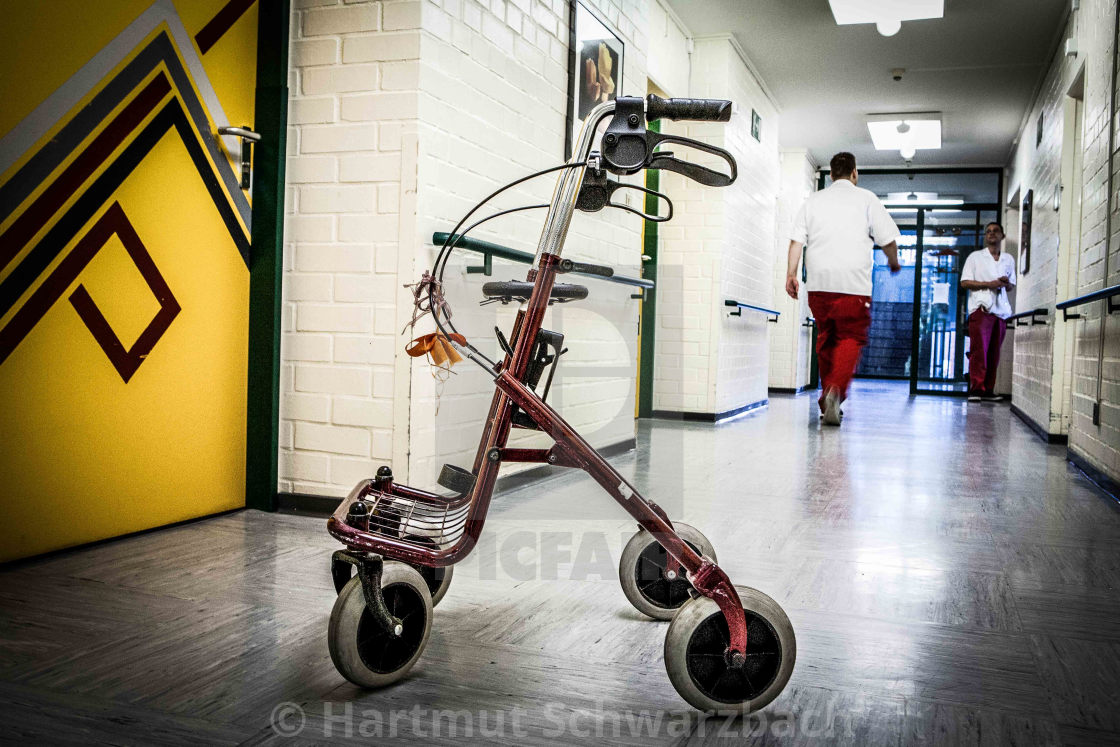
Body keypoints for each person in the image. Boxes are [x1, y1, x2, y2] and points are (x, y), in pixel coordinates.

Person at [786, 152, 901, 426]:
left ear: (831, 174)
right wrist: (894, 261)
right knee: (851, 337)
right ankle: (836, 389)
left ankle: (827, 400)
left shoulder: (812, 201)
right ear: (854, 173)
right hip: (854, 286)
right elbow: (887, 238)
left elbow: (796, 241)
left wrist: (790, 274)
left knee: (827, 338)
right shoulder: (867, 199)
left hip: (819, 286)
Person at [960, 221, 1015, 402]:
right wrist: (989, 284)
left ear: (1002, 236)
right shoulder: (975, 257)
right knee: (979, 352)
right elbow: (965, 282)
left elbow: (1011, 287)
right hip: (981, 309)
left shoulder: (1008, 259)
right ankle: (976, 389)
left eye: (996, 231)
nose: (992, 234)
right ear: (986, 237)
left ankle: (988, 390)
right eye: (988, 231)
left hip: (1000, 312)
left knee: (994, 353)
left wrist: (1005, 283)